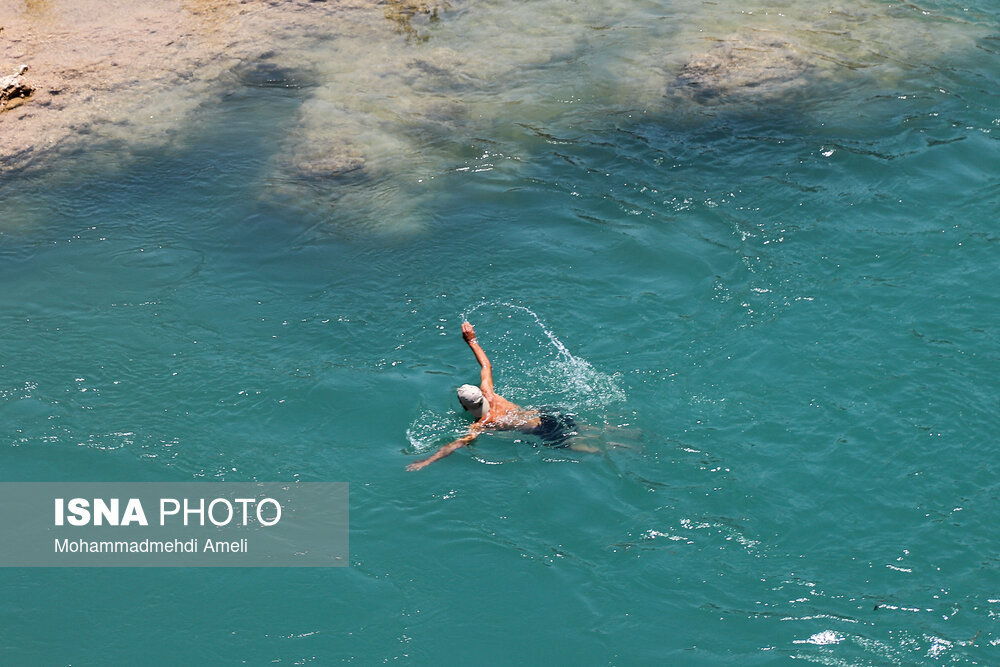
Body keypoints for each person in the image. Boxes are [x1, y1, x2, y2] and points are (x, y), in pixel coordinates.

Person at [406, 321, 595, 471]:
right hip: (547, 413)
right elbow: (486, 365)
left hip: (544, 432)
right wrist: (471, 340)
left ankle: (620, 449)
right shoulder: (489, 392)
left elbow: (456, 445)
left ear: (464, 406)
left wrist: (427, 461)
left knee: (592, 448)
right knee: (593, 428)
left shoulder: (482, 423)